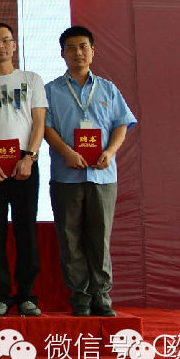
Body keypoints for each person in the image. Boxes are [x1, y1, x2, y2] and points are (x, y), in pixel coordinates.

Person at [44, 25, 137, 317]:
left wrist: (110, 152)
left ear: (93, 52)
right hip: (66, 175)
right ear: (62, 54)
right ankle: (80, 298)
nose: (78, 53)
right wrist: (67, 152)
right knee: (70, 239)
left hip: (102, 175)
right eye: (71, 48)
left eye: (83, 47)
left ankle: (101, 295)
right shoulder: (51, 90)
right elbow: (45, 128)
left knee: (100, 237)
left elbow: (121, 124)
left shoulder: (108, 89)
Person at [0, 23, 47, 317]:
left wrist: (30, 157)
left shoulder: (32, 80)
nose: (0, 46)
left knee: (26, 230)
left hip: (24, 162)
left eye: (5, 41)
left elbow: (38, 123)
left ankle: (27, 295)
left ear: (14, 45)